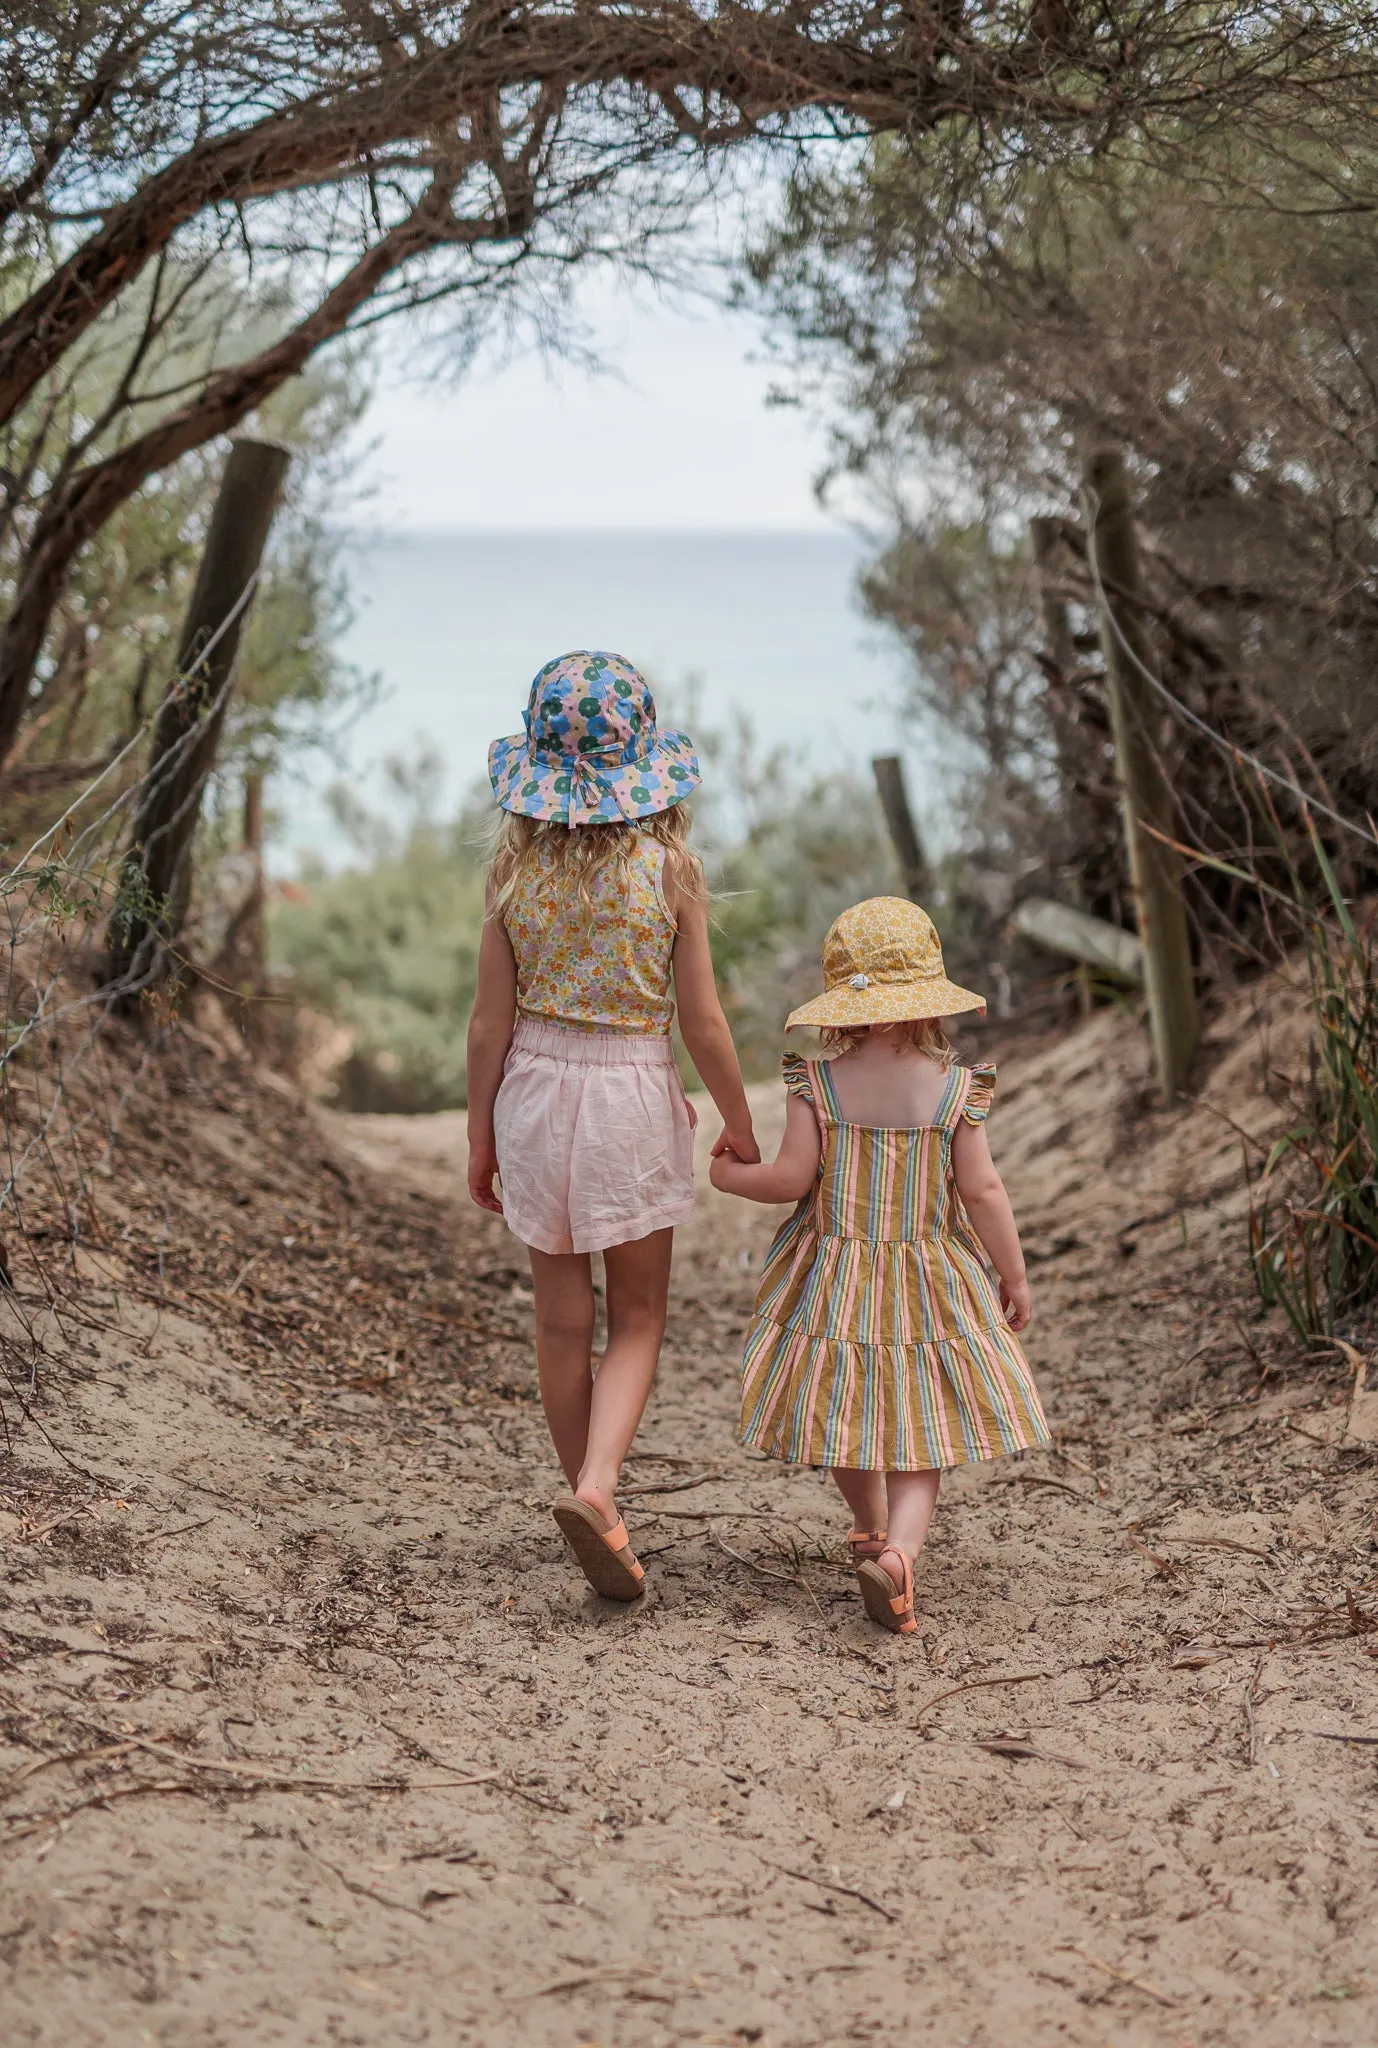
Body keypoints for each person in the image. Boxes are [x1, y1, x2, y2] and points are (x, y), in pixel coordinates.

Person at [466, 651, 758, 1601]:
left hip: (535, 1094)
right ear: (644, 768)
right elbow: (703, 1022)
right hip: (630, 1087)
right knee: (636, 1316)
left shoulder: (512, 876)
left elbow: (488, 1025)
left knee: (560, 1320)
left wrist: (481, 1137)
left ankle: (592, 1505)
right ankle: (599, 1487)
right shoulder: (670, 870)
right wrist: (739, 1121)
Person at [710, 896, 1050, 1635]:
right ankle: (899, 1552)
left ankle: (866, 1526)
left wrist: (729, 1177)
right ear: (928, 996)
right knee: (919, 1430)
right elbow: (983, 1190)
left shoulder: (818, 1082)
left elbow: (790, 1181)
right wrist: (1013, 1275)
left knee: (847, 1407)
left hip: (836, 1278)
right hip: (931, 1278)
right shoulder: (954, 1089)